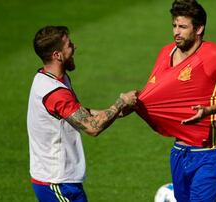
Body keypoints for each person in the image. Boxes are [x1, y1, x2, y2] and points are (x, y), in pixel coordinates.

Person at [134, 0, 216, 201]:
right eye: (174, 26)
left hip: (210, 153)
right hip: (179, 151)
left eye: (183, 27)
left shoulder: (214, 55)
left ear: (199, 29)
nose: (176, 32)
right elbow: (153, 93)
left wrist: (208, 110)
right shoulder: (165, 52)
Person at [27, 25, 137, 202]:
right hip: (56, 182)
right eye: (69, 45)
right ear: (57, 55)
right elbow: (92, 128)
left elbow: (77, 112)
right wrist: (120, 103)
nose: (75, 47)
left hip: (61, 180)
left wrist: (116, 112)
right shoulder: (55, 92)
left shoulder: (49, 78)